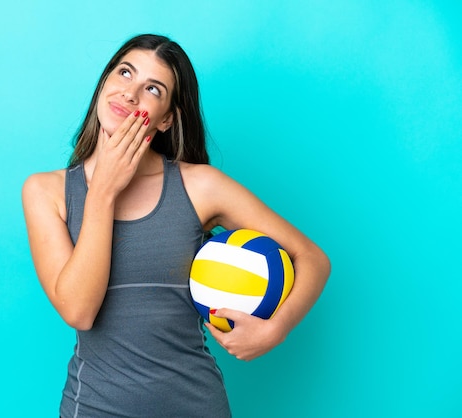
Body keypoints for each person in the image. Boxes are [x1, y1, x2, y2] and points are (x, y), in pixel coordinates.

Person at [22, 33, 330, 418]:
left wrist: (275, 329)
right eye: (124, 73)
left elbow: (312, 258)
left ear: (167, 118)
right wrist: (103, 191)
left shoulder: (200, 186)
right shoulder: (46, 191)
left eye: (152, 88)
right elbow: (79, 312)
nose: (130, 94)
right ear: (104, 84)